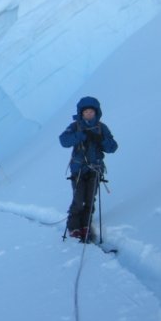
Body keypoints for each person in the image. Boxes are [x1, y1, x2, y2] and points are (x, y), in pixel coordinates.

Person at [59, 96, 118, 242]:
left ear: (96, 112)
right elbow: (63, 140)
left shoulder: (101, 128)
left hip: (95, 168)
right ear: (81, 113)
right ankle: (74, 227)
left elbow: (112, 147)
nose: (89, 114)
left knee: (90, 199)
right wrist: (81, 135)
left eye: (91, 111)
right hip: (78, 169)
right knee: (79, 200)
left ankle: (85, 226)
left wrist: (101, 140)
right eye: (86, 112)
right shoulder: (75, 126)